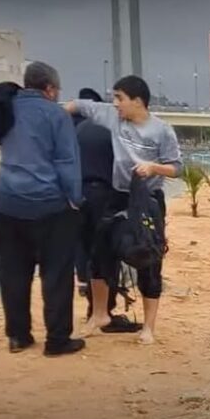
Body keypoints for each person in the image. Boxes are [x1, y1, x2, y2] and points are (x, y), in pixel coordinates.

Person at [66, 75, 182, 345]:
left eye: (119, 98)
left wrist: (153, 168)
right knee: (98, 253)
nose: (115, 103)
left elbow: (177, 167)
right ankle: (99, 316)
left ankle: (149, 328)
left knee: (148, 258)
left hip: (148, 201)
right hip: (117, 197)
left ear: (137, 101)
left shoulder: (162, 131)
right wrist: (50, 117)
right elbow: (77, 106)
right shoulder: (112, 117)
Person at [0, 62, 85, 356]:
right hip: (50, 206)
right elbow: (66, 162)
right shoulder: (55, 115)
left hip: (6, 203)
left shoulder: (5, 108)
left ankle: (18, 336)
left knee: (13, 272)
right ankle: (57, 340)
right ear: (50, 89)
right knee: (56, 274)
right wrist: (75, 199)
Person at [74, 87, 140, 334]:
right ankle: (104, 313)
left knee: (89, 254)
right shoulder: (116, 131)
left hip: (80, 196)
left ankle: (95, 309)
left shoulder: (78, 130)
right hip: (106, 196)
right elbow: (125, 168)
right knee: (108, 255)